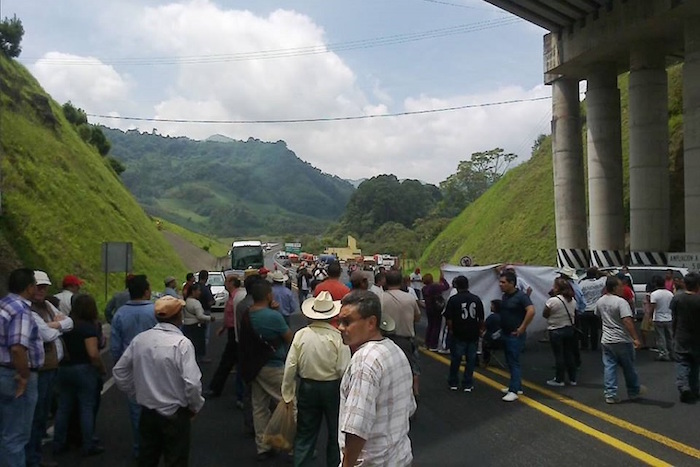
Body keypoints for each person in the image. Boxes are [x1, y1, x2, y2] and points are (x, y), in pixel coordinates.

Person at [113, 296, 205, 466]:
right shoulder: (181, 343)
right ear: (178, 317)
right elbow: (192, 382)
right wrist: (195, 405)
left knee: (147, 458)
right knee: (176, 459)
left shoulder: (141, 339)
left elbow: (120, 371)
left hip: (148, 412)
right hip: (175, 413)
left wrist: (135, 392)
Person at [337, 290, 415, 467]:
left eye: (347, 322)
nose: (340, 327)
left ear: (371, 322)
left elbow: (356, 428)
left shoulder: (364, 360)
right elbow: (409, 408)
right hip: (400, 458)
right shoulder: (395, 351)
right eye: (340, 321)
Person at [281, 292, 350, 467]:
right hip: (332, 388)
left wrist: (288, 393)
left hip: (308, 386)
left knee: (305, 433)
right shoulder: (338, 337)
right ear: (332, 315)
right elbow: (344, 369)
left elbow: (290, 366)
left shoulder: (301, 335)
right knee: (336, 433)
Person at [239, 280, 293, 461]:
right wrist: (276, 312)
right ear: (269, 296)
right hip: (274, 365)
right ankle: (293, 447)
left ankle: (263, 446)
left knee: (259, 407)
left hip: (254, 366)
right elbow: (288, 337)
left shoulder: (247, 314)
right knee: (288, 405)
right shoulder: (273, 317)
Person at [26, 271, 73, 467]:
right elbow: (45, 335)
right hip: (39, 369)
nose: (42, 290)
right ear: (29, 287)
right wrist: (57, 324)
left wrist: (52, 325)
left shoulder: (46, 305)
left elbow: (69, 323)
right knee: (35, 416)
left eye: (44, 287)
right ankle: (31, 458)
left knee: (43, 414)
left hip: (52, 365)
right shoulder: (28, 309)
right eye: (38, 286)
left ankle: (34, 456)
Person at [52, 294, 106, 457]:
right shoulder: (88, 328)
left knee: (64, 407)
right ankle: (88, 443)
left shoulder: (66, 326)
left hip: (64, 368)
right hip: (83, 368)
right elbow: (93, 354)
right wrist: (101, 369)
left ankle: (59, 442)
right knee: (86, 407)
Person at [110, 274, 157, 458]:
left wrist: (118, 366)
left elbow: (114, 346)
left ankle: (140, 447)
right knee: (159, 404)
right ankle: (157, 445)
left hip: (132, 366)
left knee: (136, 409)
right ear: (146, 292)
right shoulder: (155, 311)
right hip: (154, 364)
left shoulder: (120, 314)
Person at [0, 269, 43, 467]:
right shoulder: (21, 310)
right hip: (15, 375)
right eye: (35, 284)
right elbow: (17, 347)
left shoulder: (5, 305)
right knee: (16, 436)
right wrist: (24, 376)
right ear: (29, 287)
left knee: (5, 431)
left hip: (3, 371)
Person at [595, 276, 645, 404]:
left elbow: (598, 314)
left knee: (609, 366)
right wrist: (635, 338)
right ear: (615, 287)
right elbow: (627, 320)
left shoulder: (601, 301)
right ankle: (633, 391)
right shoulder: (621, 302)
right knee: (628, 367)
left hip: (607, 339)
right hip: (622, 339)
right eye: (620, 286)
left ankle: (610, 394)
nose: (623, 288)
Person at [382, 270, 422, 397]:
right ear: (401, 282)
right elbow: (418, 317)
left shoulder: (380, 298)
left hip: (386, 339)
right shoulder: (410, 298)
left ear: (386, 282)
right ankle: (414, 392)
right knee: (412, 369)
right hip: (406, 339)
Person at [498, 270, 535, 402]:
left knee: (514, 362)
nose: (500, 285)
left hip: (515, 334)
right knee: (509, 360)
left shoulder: (521, 297)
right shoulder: (505, 296)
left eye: (503, 282)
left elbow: (531, 310)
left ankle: (514, 391)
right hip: (506, 333)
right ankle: (516, 386)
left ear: (512, 283)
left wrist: (522, 327)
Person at [444, 275, 484, 392]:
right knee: (470, 360)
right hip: (473, 333)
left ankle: (453, 382)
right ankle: (467, 383)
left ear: (456, 286)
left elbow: (449, 318)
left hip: (458, 332)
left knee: (456, 359)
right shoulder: (476, 299)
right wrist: (480, 330)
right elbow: (481, 317)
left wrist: (451, 330)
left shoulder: (453, 300)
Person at [206, 275, 241, 398]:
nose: (225, 284)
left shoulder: (237, 297)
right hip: (232, 330)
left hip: (235, 332)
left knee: (226, 361)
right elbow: (230, 316)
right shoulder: (232, 296)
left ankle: (215, 388)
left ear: (232, 283)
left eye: (227, 281)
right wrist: (223, 327)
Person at [542, 278, 578, 387]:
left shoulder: (552, 301)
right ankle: (573, 379)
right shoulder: (572, 300)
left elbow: (545, 314)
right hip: (569, 329)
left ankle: (559, 379)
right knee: (569, 354)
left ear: (557, 288)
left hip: (556, 329)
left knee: (559, 355)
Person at [671, 272, 700, 403]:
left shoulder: (677, 298)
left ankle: (684, 387)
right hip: (697, 337)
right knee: (695, 364)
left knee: (683, 362)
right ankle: (694, 389)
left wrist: (674, 333)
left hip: (681, 335)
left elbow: (674, 318)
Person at [183, 283, 216, 363]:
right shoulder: (196, 303)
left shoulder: (187, 301)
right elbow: (200, 316)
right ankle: (200, 358)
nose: (200, 292)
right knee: (199, 342)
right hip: (196, 325)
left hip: (187, 325)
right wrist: (210, 318)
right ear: (193, 291)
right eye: (198, 291)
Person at [578, 268, 606, 351]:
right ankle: (594, 345)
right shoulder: (600, 282)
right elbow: (607, 276)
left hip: (585, 309)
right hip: (595, 309)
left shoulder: (582, 284)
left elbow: (579, 295)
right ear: (596, 274)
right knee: (595, 329)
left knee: (584, 329)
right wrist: (599, 271)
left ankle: (584, 345)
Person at [422, 270, 450, 351]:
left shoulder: (424, 289)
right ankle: (433, 344)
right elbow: (446, 286)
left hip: (428, 308)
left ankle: (427, 343)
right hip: (436, 308)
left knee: (430, 325)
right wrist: (442, 279)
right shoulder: (434, 287)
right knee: (436, 326)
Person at [649, 275, 675, 361]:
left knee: (660, 337)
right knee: (670, 337)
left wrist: (650, 317)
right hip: (669, 317)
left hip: (658, 318)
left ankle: (663, 354)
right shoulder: (670, 293)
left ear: (656, 284)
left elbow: (653, 307)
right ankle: (672, 353)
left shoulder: (654, 294)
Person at [481, 300, 502, 367]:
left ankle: (483, 360)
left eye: (492, 305)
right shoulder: (505, 317)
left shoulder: (492, 317)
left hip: (490, 342)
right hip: (502, 342)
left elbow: (483, 327)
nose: (491, 306)